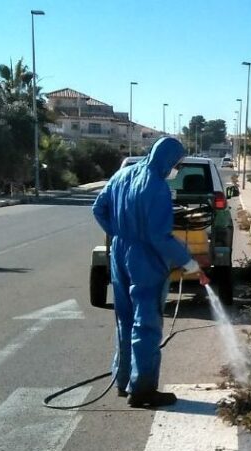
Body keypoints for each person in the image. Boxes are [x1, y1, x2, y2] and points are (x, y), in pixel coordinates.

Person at [92, 136, 208, 408]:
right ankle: (143, 389)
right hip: (145, 257)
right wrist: (190, 263)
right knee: (146, 322)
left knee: (125, 318)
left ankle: (123, 380)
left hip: (120, 251)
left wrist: (118, 231)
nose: (176, 169)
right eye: (177, 163)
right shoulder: (156, 187)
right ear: (168, 160)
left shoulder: (121, 175)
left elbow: (98, 208)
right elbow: (159, 236)